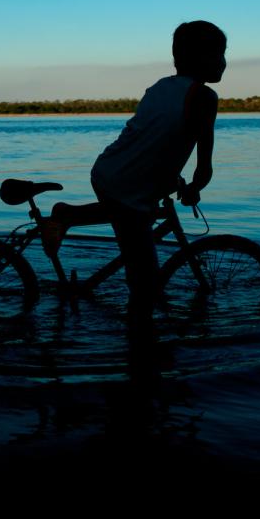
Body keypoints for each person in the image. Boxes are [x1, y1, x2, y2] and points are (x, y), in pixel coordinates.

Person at [89, 20, 227, 323]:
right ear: (199, 59)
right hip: (128, 187)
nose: (223, 63)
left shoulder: (161, 86)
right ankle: (142, 350)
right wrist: (194, 187)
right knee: (146, 283)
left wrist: (172, 178)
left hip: (109, 170)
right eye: (218, 55)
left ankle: (67, 215)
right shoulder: (204, 98)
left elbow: (153, 139)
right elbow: (204, 165)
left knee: (134, 235)